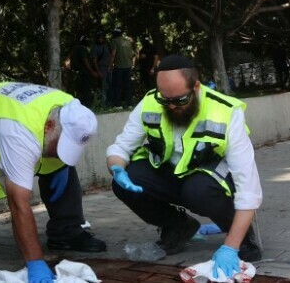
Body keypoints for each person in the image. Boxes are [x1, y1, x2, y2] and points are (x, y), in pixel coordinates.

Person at [106, 55, 263, 280]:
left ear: (196, 87)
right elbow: (121, 147)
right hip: (171, 175)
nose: (171, 106)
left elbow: (249, 188)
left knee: (198, 192)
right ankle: (178, 227)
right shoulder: (149, 102)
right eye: (164, 99)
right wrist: (117, 168)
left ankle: (242, 236)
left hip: (209, 181)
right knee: (127, 180)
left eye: (179, 100)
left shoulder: (226, 112)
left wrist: (230, 247)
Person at [0, 82, 106, 283]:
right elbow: (18, 203)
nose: (62, 154)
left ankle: (65, 232)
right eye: (61, 146)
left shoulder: (72, 110)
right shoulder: (19, 134)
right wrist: (34, 262)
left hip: (6, 115)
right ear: (49, 127)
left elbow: (61, 145)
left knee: (62, 169)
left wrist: (62, 159)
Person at [69, 36, 99, 108]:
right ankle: (86, 106)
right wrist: (92, 71)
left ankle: (82, 106)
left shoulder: (77, 49)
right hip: (83, 73)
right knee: (86, 91)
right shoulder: (82, 49)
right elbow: (85, 60)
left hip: (79, 73)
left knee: (81, 91)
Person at [107, 28, 135, 108]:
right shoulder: (127, 41)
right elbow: (131, 55)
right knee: (128, 85)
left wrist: (110, 65)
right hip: (128, 66)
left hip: (119, 67)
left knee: (117, 86)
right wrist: (131, 64)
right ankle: (130, 104)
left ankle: (117, 104)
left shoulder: (115, 41)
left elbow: (113, 54)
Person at [92, 31, 112, 106]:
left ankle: (110, 102)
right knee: (103, 86)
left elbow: (110, 55)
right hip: (101, 68)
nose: (100, 39)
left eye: (101, 38)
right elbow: (94, 61)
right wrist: (98, 71)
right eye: (99, 38)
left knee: (110, 84)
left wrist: (110, 65)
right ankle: (103, 103)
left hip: (108, 68)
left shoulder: (106, 46)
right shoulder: (95, 47)